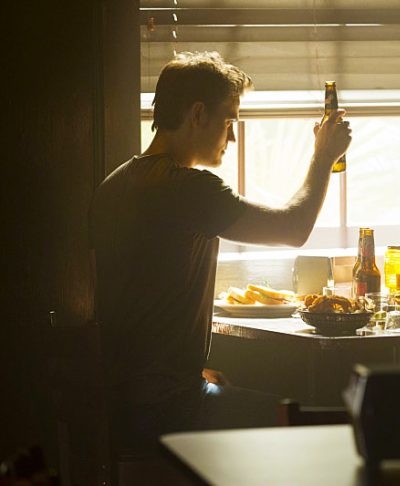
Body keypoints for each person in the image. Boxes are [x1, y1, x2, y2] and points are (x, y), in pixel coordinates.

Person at [89, 51, 351, 452]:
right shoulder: (187, 187)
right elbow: (293, 228)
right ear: (198, 114)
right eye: (229, 121)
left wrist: (187, 372)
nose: (231, 137)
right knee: (322, 431)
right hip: (169, 408)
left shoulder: (119, 182)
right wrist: (324, 155)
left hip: (121, 399)